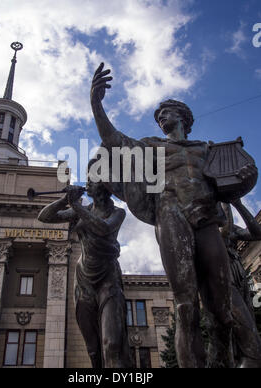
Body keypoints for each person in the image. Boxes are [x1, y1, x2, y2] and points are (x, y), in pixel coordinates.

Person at [89, 63, 257, 368]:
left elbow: (232, 184)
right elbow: (114, 140)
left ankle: (242, 357)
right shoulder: (153, 147)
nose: (160, 118)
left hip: (206, 217)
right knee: (185, 304)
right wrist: (96, 103)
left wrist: (247, 179)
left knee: (223, 299)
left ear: (183, 117)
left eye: (165, 113)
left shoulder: (208, 149)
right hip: (171, 213)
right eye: (158, 116)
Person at [38, 172, 131, 368]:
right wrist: (64, 200)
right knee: (93, 349)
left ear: (105, 187)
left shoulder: (118, 212)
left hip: (107, 277)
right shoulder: (81, 210)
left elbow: (104, 229)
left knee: (111, 343)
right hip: (83, 280)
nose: (87, 184)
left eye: (91, 181)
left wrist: (77, 206)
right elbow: (44, 217)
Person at [218, 197, 261, 368]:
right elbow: (224, 231)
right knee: (237, 331)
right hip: (222, 278)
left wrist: (239, 204)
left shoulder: (232, 230)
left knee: (249, 327)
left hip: (239, 277)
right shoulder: (206, 232)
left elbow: (257, 233)